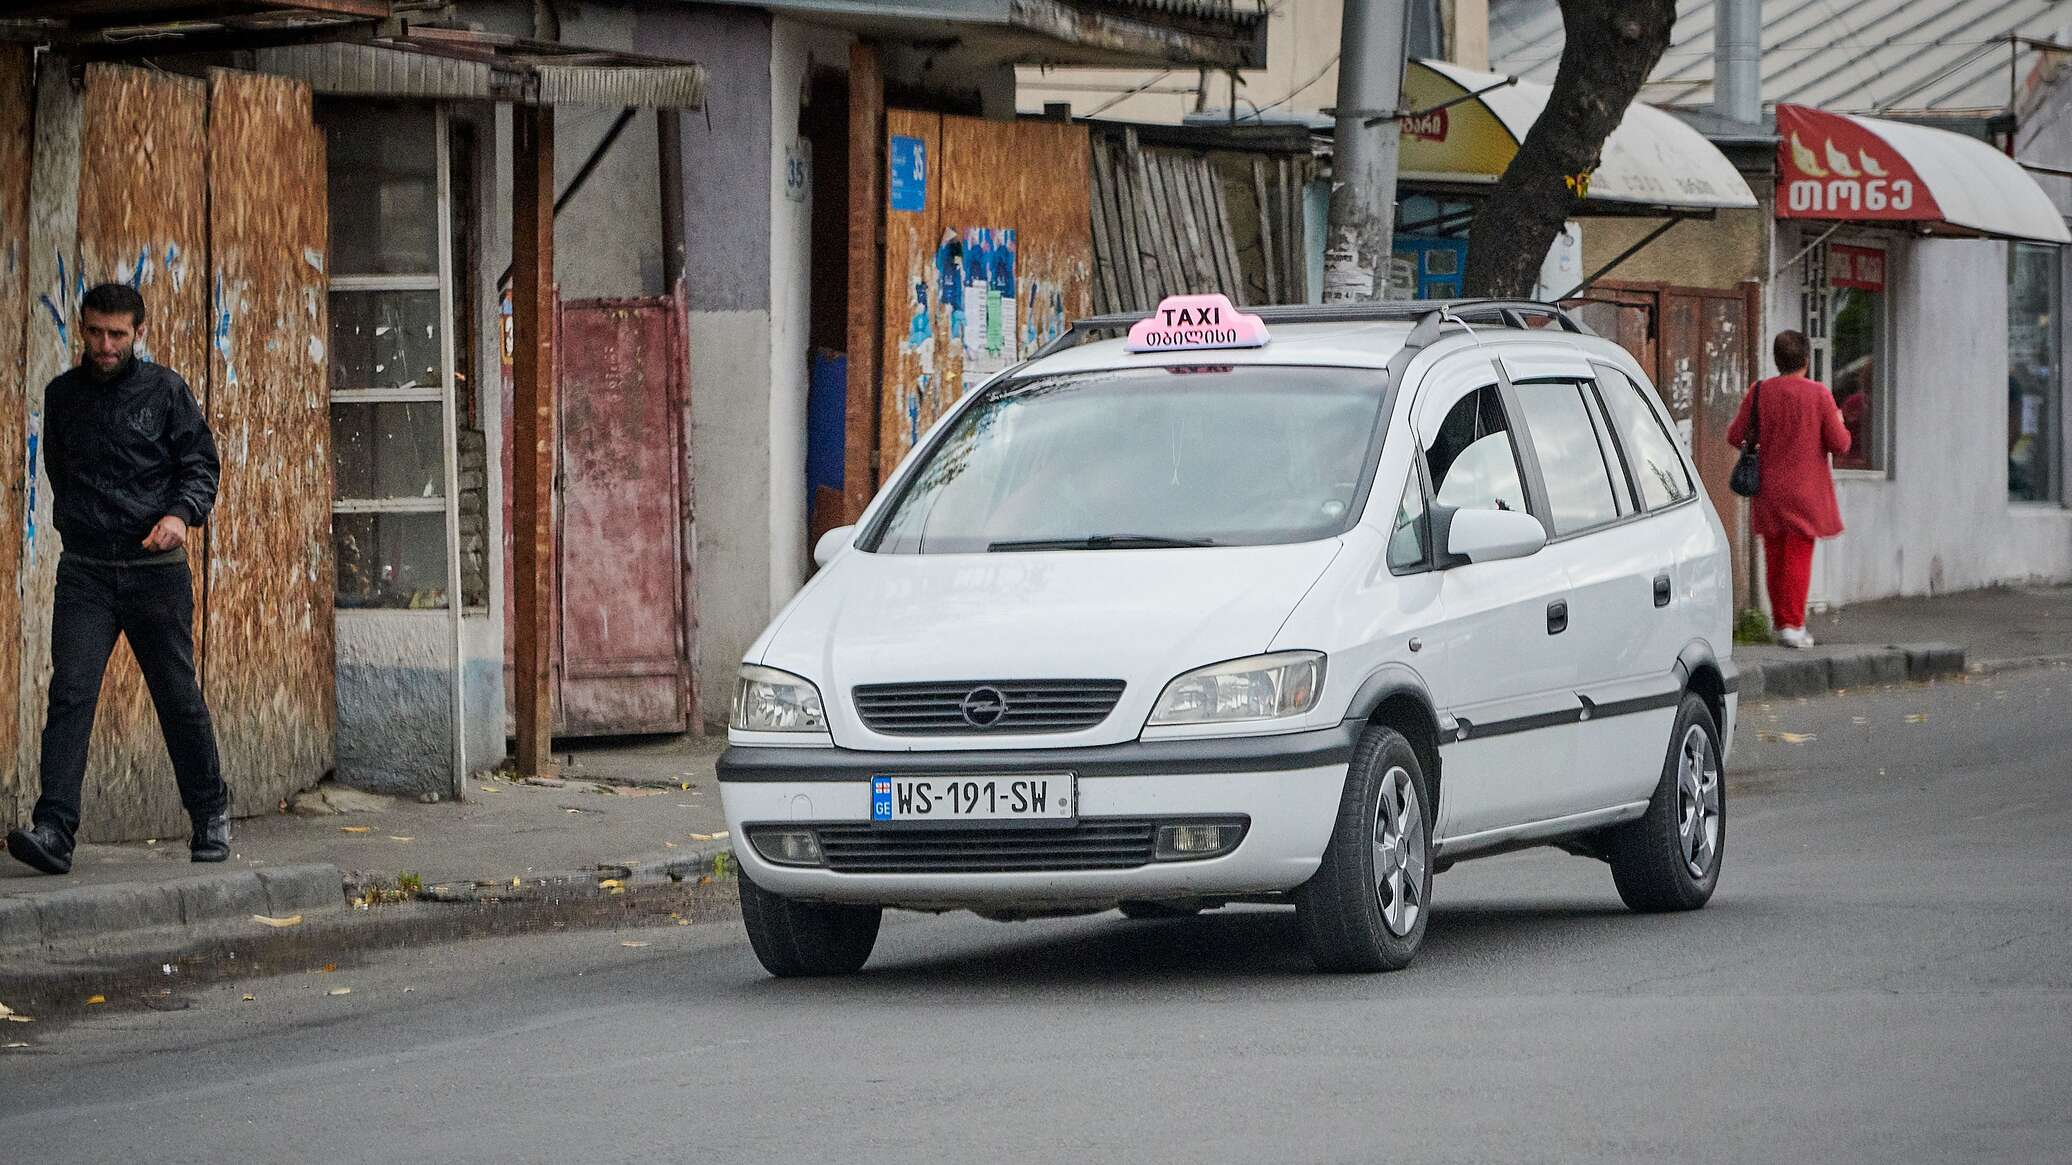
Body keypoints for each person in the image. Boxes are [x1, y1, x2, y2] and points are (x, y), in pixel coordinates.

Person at [5, 284, 229, 875]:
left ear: (137, 334)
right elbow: (60, 471)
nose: (105, 345)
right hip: (86, 573)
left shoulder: (165, 391)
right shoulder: (62, 396)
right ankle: (54, 829)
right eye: (96, 332)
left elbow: (201, 464)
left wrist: (181, 515)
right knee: (71, 693)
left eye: (118, 335)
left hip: (154, 572)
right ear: (82, 328)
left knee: (176, 696)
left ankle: (210, 814)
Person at [1726, 330, 1850, 649]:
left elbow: (1735, 434)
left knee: (1775, 555)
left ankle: (1782, 622)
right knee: (1797, 555)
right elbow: (1840, 443)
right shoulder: (1819, 395)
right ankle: (1794, 625)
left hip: (1768, 488)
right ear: (1806, 360)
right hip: (1806, 490)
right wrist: (1837, 418)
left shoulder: (1760, 392)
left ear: (1776, 359)